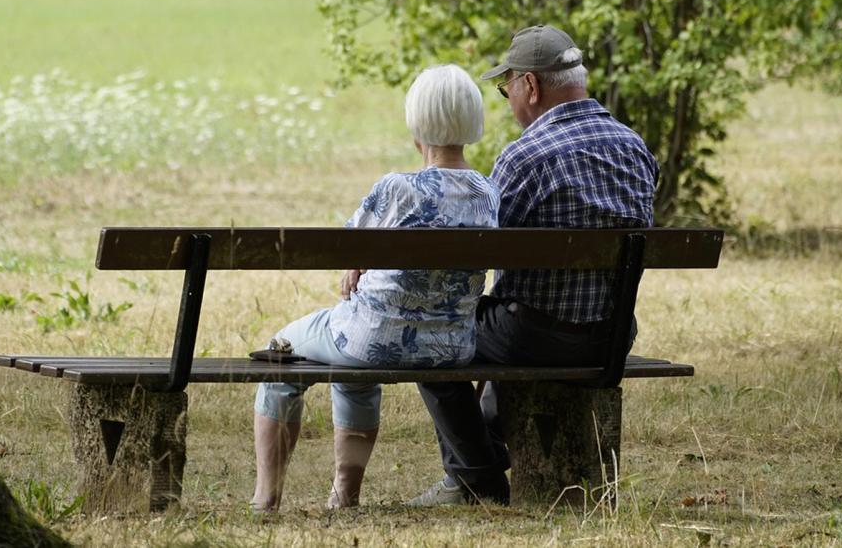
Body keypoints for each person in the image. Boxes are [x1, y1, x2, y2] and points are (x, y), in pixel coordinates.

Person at [407, 25, 659, 507]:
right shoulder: (636, 148)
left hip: (536, 337)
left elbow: (481, 253)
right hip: (612, 336)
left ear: (530, 86)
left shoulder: (524, 157)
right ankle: (482, 458)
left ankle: (476, 478)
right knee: (509, 318)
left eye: (506, 90)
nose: (508, 101)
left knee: (431, 333)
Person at [251, 64, 501, 512]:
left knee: (281, 351)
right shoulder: (488, 193)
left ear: (417, 123)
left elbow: (345, 247)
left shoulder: (397, 189)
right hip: (451, 348)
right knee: (353, 363)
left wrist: (357, 263)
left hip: (372, 339)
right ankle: (343, 495)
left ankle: (266, 498)